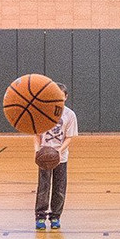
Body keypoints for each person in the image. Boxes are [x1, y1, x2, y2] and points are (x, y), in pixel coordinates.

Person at [33, 83, 77, 230]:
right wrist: (37, 150)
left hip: (61, 156)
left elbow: (69, 137)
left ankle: (55, 217)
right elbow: (36, 134)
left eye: (62, 97)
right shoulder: (42, 112)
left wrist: (59, 151)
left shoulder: (69, 115)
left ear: (66, 97)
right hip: (44, 155)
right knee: (43, 187)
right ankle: (40, 217)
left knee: (59, 188)